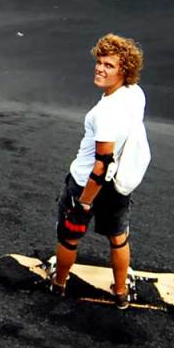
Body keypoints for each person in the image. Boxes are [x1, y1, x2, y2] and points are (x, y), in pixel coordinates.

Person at [49, 33, 146, 309]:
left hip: (86, 185)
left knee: (68, 235)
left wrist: (84, 204)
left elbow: (101, 165)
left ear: (124, 70)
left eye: (109, 65)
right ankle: (120, 293)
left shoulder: (104, 114)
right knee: (118, 237)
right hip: (119, 185)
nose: (100, 68)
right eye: (100, 61)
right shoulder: (135, 94)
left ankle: (59, 284)